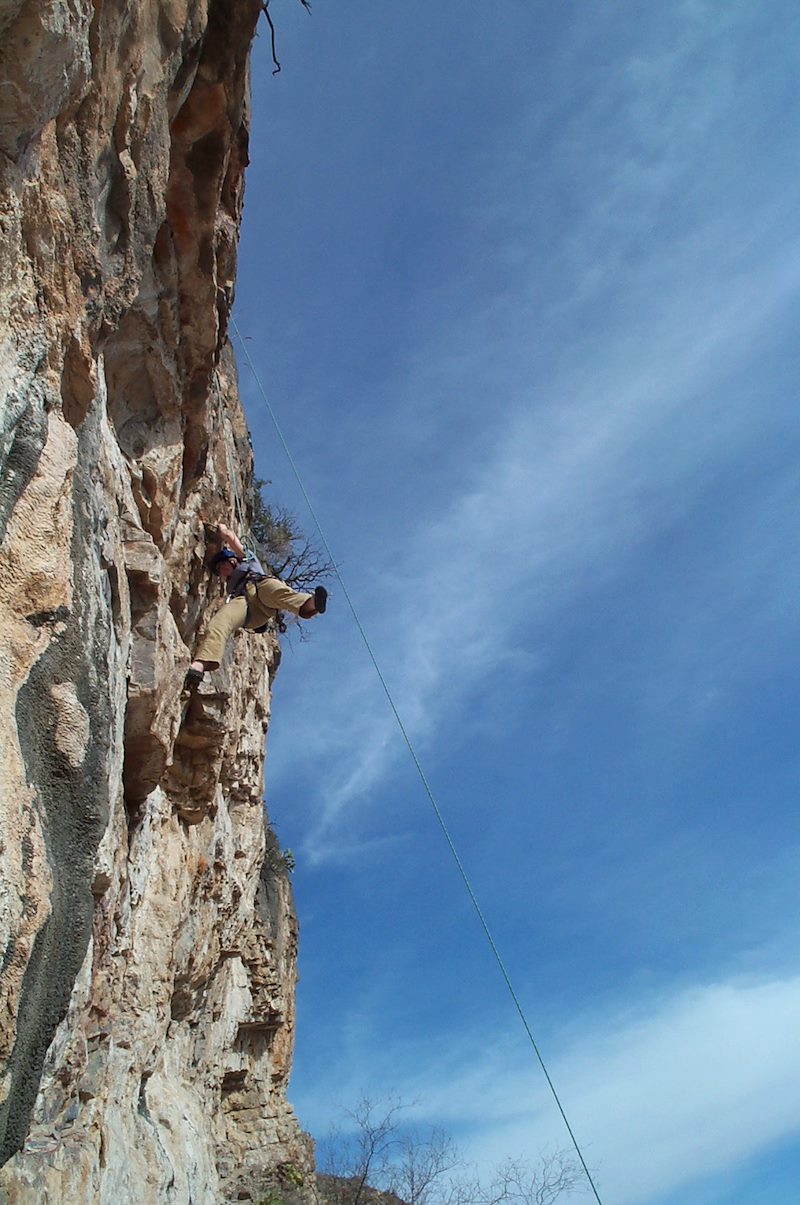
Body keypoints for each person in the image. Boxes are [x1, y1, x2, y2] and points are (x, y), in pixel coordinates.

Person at [185, 522, 327, 688]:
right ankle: (200, 665)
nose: (221, 571)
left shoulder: (247, 560)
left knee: (276, 591)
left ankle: (311, 604)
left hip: (260, 588)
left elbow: (230, 537)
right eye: (218, 570)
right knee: (222, 620)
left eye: (222, 565)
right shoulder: (232, 586)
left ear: (232, 560)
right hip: (249, 608)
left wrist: (222, 529)